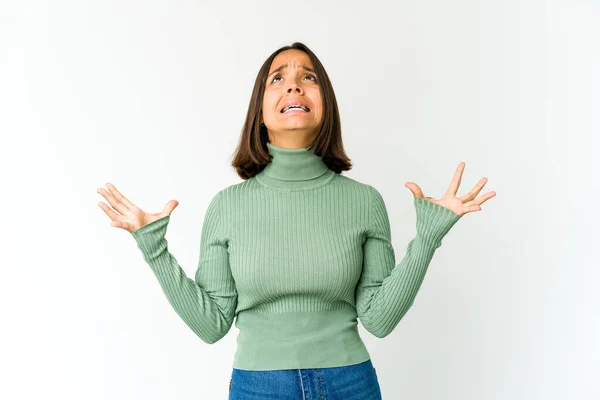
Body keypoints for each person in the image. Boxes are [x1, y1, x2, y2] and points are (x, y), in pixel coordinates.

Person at [97, 42, 496, 399]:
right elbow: (211, 324)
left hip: (350, 383)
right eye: (278, 78)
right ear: (261, 110)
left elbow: (379, 318)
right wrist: (153, 247)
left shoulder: (364, 201)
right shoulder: (227, 206)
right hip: (259, 387)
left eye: (308, 77)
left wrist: (427, 238)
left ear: (326, 105)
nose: (294, 86)